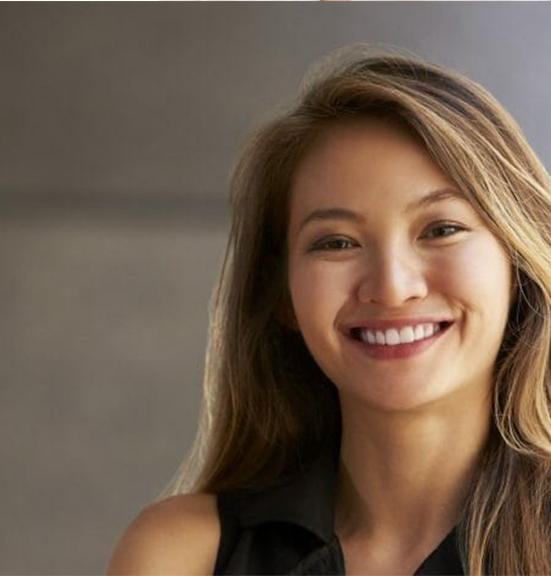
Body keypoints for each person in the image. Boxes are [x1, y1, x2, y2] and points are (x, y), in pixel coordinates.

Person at [106, 46, 551, 575]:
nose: (391, 287)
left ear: (518, 263)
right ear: (282, 296)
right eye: (336, 242)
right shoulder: (181, 557)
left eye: (441, 229)